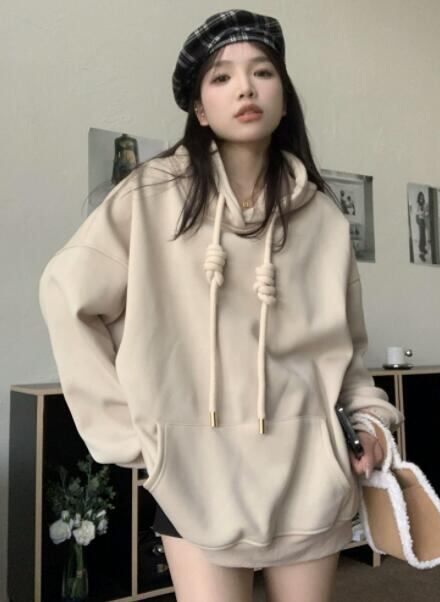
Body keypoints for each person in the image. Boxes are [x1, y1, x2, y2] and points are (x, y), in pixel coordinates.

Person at [38, 9, 404, 602]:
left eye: (262, 72)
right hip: (196, 476)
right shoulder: (150, 195)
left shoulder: (325, 220)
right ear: (200, 109)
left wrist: (367, 422)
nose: (245, 88)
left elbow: (348, 355)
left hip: (309, 475)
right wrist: (130, 436)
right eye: (222, 77)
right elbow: (65, 294)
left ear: (284, 97)